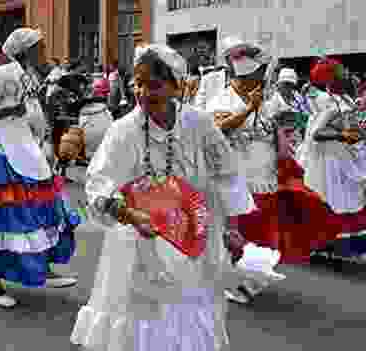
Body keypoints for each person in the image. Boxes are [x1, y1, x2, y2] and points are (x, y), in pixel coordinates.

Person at [70, 43, 263, 351]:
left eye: (154, 84)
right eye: (138, 83)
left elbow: (226, 175)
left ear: (176, 86)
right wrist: (131, 215)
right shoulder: (124, 131)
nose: (143, 92)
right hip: (139, 240)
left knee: (189, 313)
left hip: (194, 238)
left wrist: (232, 229)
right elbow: (98, 184)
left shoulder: (199, 124)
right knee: (144, 317)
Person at [0, 28, 80, 308]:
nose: (45, 50)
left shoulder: (31, 74)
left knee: (41, 212)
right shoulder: (3, 73)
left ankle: (41, 268)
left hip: (24, 153)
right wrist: (11, 112)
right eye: (40, 46)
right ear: (26, 51)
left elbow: (32, 111)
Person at [199, 37, 285, 304]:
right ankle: (234, 281)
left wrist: (283, 150)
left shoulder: (270, 99)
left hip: (265, 177)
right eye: (259, 73)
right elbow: (216, 129)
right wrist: (249, 108)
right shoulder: (222, 99)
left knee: (264, 231)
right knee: (236, 233)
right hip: (235, 179)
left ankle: (249, 279)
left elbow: (278, 130)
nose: (263, 77)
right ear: (247, 75)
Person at [296, 57, 366, 258]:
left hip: (342, 158)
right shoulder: (327, 101)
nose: (347, 73)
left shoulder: (345, 99)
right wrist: (343, 135)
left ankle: (333, 246)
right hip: (330, 161)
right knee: (333, 200)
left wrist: (359, 135)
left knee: (344, 200)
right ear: (331, 78)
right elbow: (317, 133)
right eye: (341, 71)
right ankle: (323, 244)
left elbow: (352, 125)